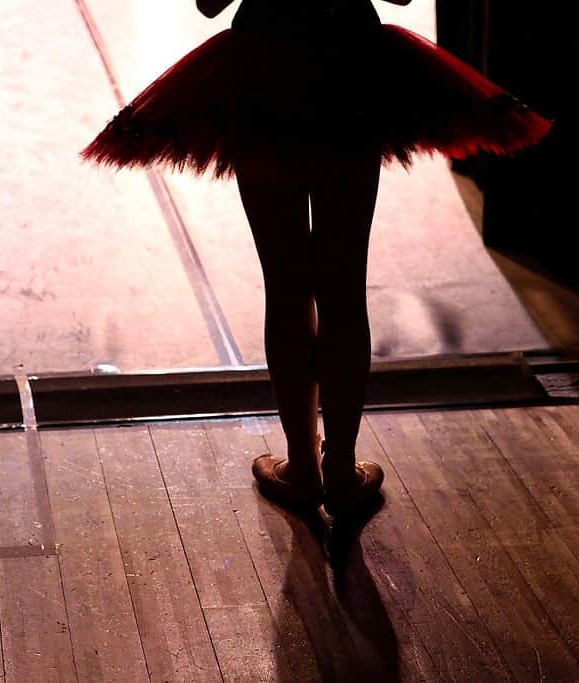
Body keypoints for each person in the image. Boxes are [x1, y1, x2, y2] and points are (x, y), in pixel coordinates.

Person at [82, 0, 551, 516]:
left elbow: (209, 3)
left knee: (285, 286)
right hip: (348, 72)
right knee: (343, 286)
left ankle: (302, 469)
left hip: (262, 73)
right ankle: (342, 470)